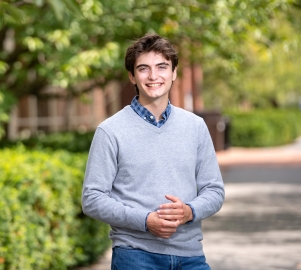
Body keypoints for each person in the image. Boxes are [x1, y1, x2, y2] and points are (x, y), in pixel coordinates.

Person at [81, 33, 225, 269]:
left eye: (162, 67)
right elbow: (92, 199)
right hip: (135, 256)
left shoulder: (195, 127)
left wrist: (189, 211)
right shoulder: (110, 131)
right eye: (144, 69)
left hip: (190, 255)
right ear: (132, 76)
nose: (154, 76)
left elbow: (214, 191)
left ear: (174, 73)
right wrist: (146, 221)